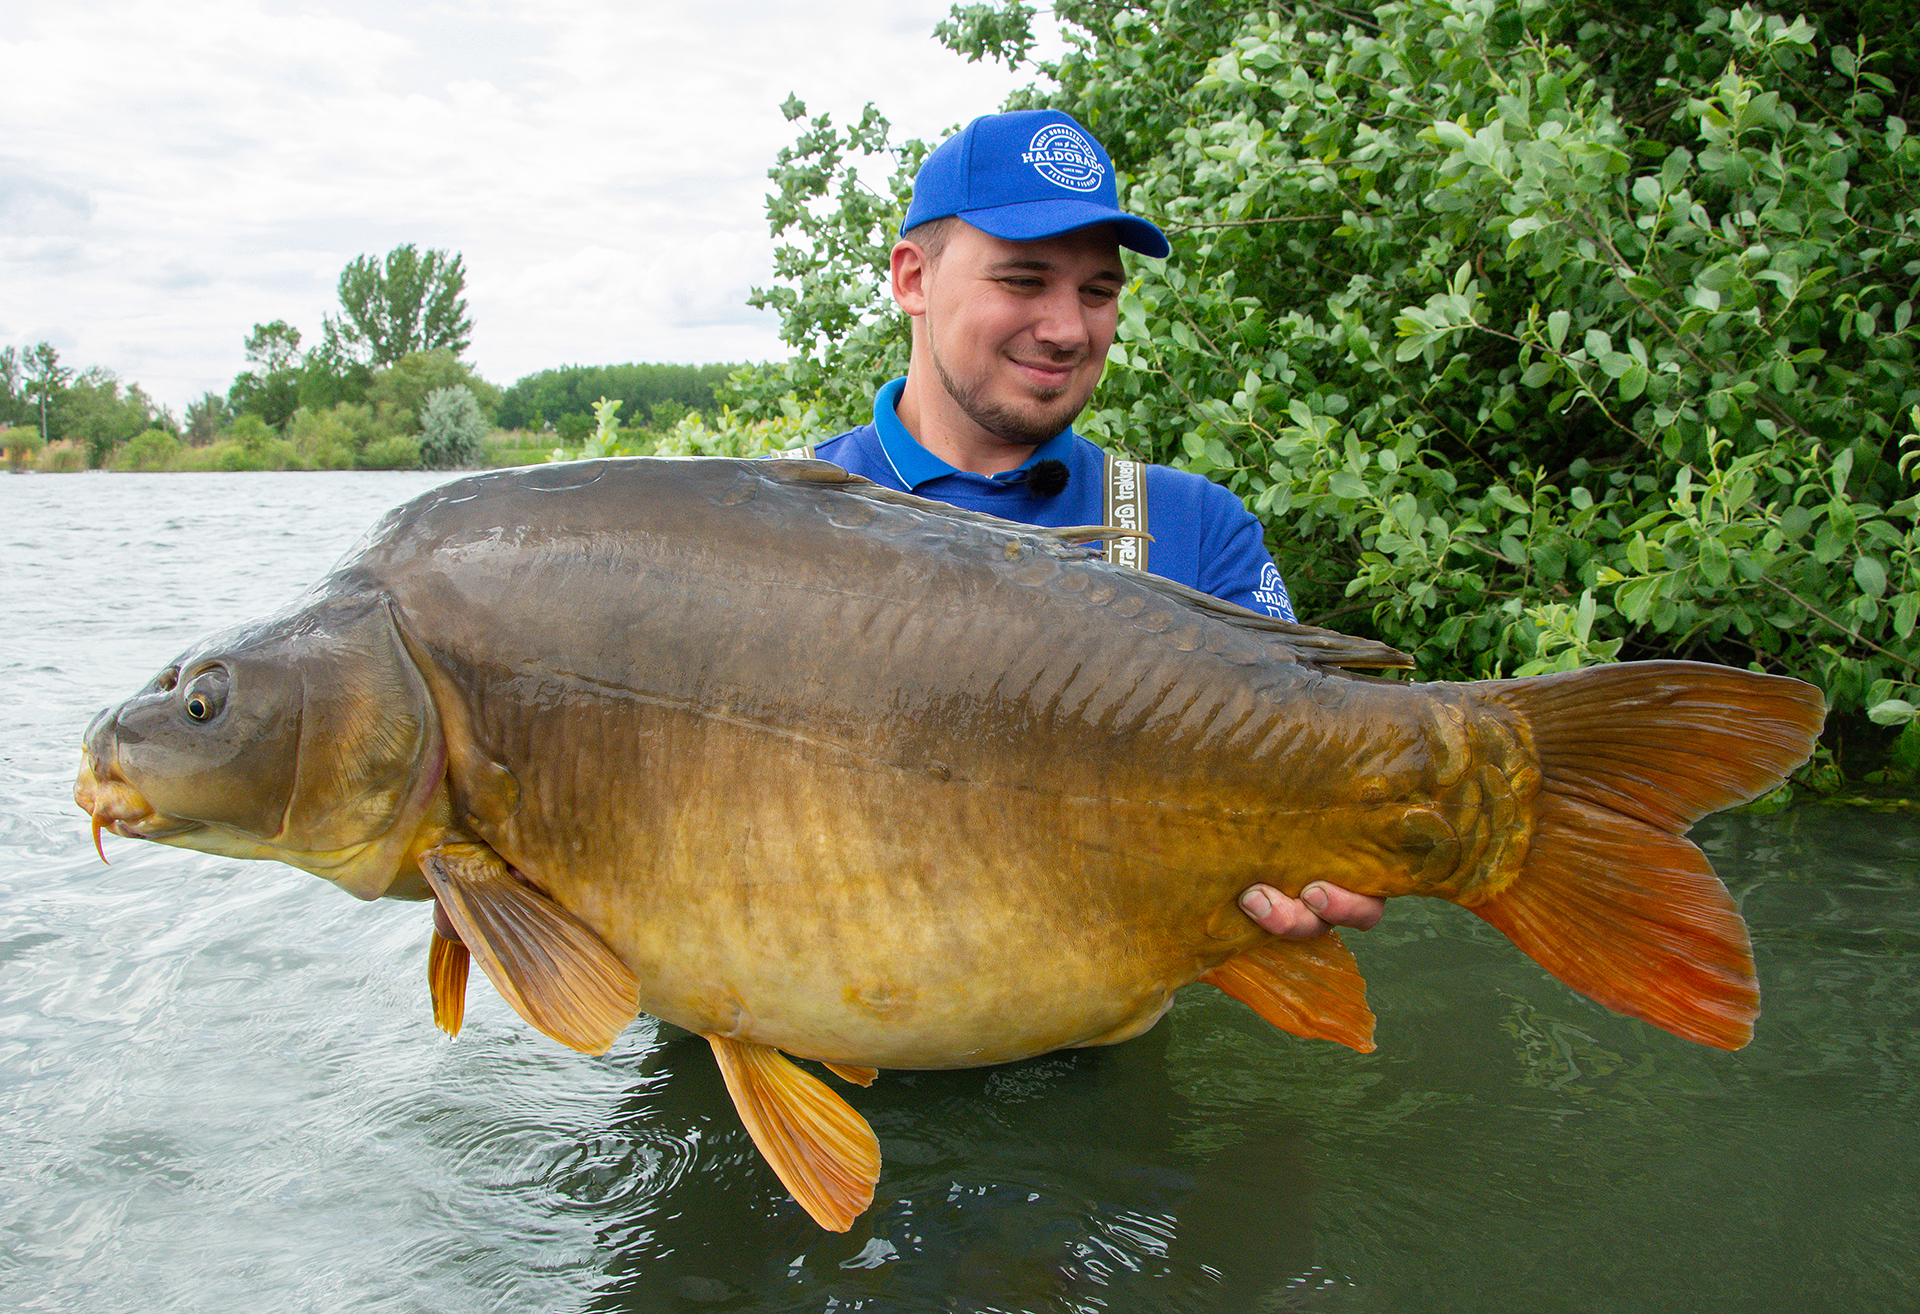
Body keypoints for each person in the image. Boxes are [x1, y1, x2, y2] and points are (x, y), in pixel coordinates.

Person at [795, 108, 1384, 942]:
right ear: (912, 279)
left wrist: (1335, 855)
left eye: (1098, 292)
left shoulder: (1197, 530)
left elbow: (1324, 760)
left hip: (1106, 1050)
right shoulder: (765, 523)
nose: (1069, 329)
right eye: (1023, 280)